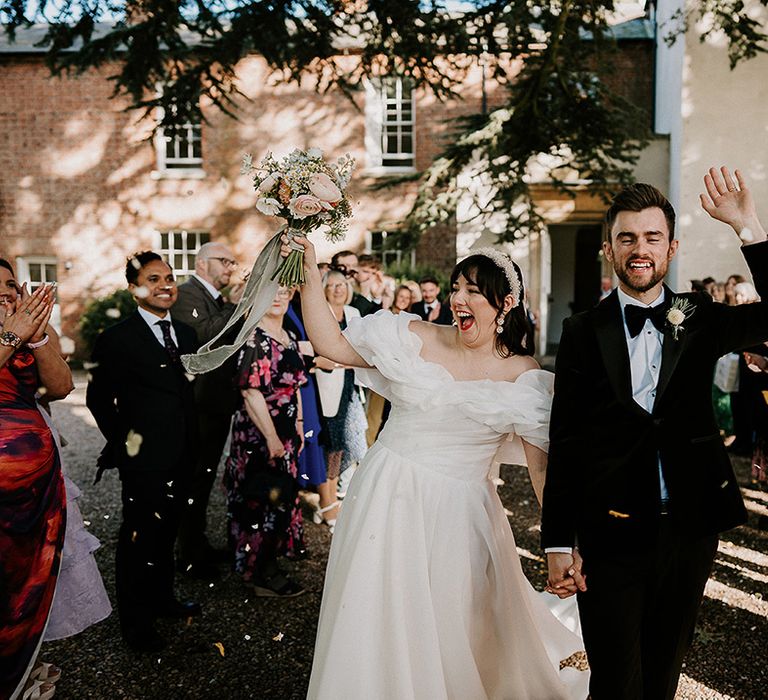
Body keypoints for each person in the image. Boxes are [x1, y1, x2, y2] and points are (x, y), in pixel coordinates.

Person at [281, 237, 588, 699]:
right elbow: (332, 345)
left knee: (450, 622)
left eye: (473, 291)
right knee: (375, 609)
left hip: (458, 515)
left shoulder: (523, 375)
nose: (458, 299)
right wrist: (307, 270)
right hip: (385, 497)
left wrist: (563, 546)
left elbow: (542, 473)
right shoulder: (412, 336)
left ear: (504, 304)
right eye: (456, 287)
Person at [542, 167, 768, 700]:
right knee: (617, 682)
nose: (639, 248)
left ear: (671, 247)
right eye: (627, 238)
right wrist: (556, 540)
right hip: (609, 531)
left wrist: (749, 227)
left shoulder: (700, 316)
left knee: (664, 674)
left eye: (651, 237)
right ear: (609, 249)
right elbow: (567, 438)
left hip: (689, 527)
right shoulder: (580, 332)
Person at [86, 251, 202, 653]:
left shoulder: (186, 335)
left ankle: (163, 599)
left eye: (169, 277)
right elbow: (98, 400)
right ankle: (137, 626)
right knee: (139, 538)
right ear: (134, 287)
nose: (165, 285)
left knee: (167, 530)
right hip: (143, 460)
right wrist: (126, 446)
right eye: (154, 279)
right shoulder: (115, 339)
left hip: (184, 454)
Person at [0, 259, 73, 699]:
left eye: (11, 283)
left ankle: (17, 669)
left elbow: (61, 387)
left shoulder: (25, 333)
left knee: (23, 587)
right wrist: (11, 335)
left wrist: (39, 335)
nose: (7, 291)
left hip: (36, 494)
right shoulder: (10, 335)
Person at [224, 287, 307, 595]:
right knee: (261, 503)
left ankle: (269, 563)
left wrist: (298, 424)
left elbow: (296, 386)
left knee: (282, 500)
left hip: (285, 433)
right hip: (259, 436)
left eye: (284, 291)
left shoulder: (289, 335)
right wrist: (272, 439)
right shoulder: (253, 337)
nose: (277, 297)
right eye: (271, 291)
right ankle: (259, 573)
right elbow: (249, 391)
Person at [172, 241, 244, 579]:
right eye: (224, 260)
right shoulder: (186, 295)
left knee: (203, 479)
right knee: (193, 482)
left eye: (232, 261)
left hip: (216, 403)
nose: (230, 266)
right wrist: (235, 304)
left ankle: (196, 543)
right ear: (202, 264)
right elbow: (203, 339)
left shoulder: (213, 298)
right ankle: (188, 556)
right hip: (198, 406)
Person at [314, 269, 368, 502]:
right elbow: (317, 355)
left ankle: (340, 488)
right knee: (333, 442)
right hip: (326, 384)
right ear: (324, 289)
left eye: (342, 285)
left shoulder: (353, 312)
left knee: (355, 440)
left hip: (352, 385)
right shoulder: (319, 313)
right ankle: (328, 496)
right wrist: (343, 362)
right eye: (332, 285)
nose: (338, 289)